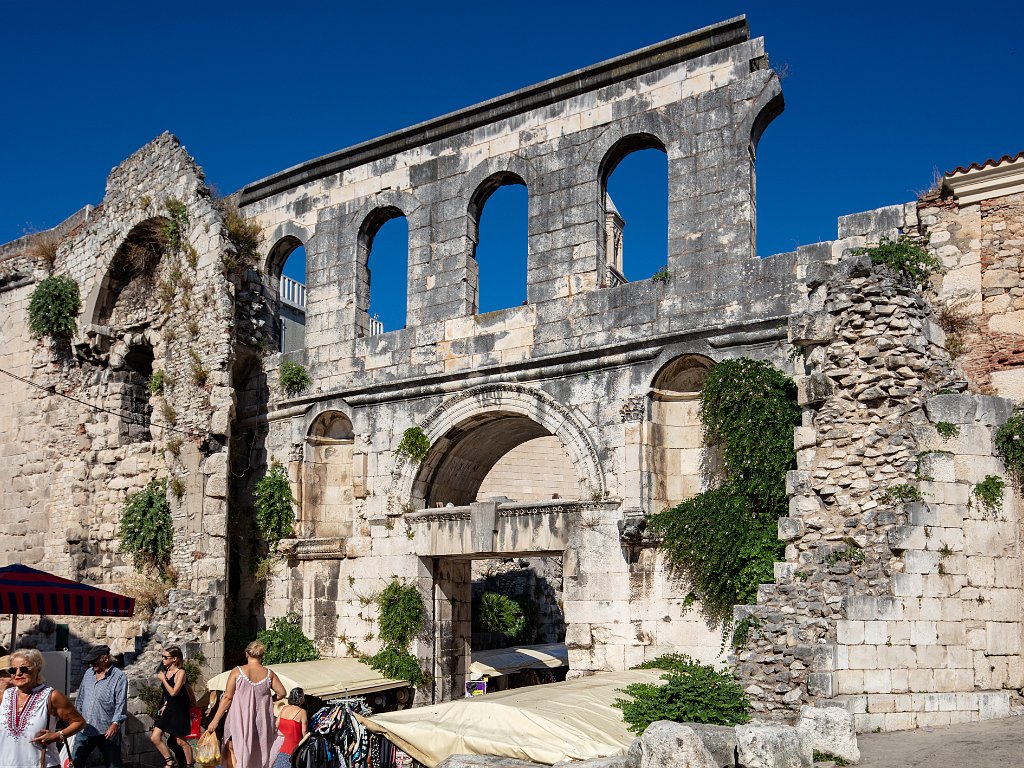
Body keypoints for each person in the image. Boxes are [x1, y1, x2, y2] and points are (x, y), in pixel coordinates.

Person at [0, 648, 85, 768]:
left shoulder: (51, 696)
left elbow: (79, 722)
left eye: (24, 669)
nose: (18, 673)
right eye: (13, 670)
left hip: (42, 764)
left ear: (37, 669)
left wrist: (57, 735)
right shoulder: (5, 696)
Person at [205, 641, 286, 768]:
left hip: (238, 720)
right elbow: (282, 693)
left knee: (232, 749)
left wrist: (215, 720)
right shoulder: (269, 674)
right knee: (255, 751)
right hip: (260, 722)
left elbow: (227, 697)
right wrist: (266, 700)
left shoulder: (237, 672)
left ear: (247, 654)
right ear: (262, 656)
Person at [72, 645, 128, 768]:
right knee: (75, 763)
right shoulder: (88, 673)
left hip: (107, 731)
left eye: (94, 661)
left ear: (105, 659)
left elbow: (121, 703)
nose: (91, 664)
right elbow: (80, 697)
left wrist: (115, 723)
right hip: (85, 728)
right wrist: (75, 718)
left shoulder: (119, 677)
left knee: (113, 765)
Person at [149, 647, 193, 768]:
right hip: (169, 709)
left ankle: (189, 765)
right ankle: (170, 761)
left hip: (179, 710)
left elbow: (174, 692)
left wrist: (164, 680)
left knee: (181, 741)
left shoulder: (181, 673)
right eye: (162, 657)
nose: (163, 659)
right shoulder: (166, 671)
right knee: (155, 737)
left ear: (174, 659)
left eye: (165, 657)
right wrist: (164, 705)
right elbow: (167, 695)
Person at [272, 689, 307, 768]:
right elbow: (304, 732)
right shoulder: (302, 712)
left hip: (279, 747)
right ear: (301, 698)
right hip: (292, 749)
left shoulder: (284, 708)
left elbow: (276, 725)